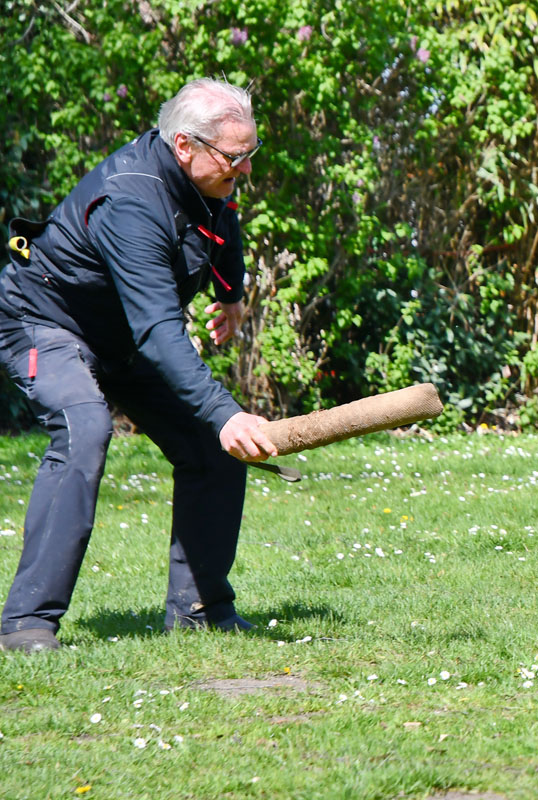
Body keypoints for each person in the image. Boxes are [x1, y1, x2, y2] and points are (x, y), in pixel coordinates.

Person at [0, 78, 279, 653]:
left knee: (211, 443)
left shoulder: (203, 182)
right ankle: (25, 625)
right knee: (85, 428)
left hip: (122, 336)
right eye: (235, 157)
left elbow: (219, 223)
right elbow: (158, 331)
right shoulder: (131, 201)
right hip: (45, 323)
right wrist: (227, 412)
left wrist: (231, 296)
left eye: (249, 155)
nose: (245, 170)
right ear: (185, 146)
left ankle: (200, 612)